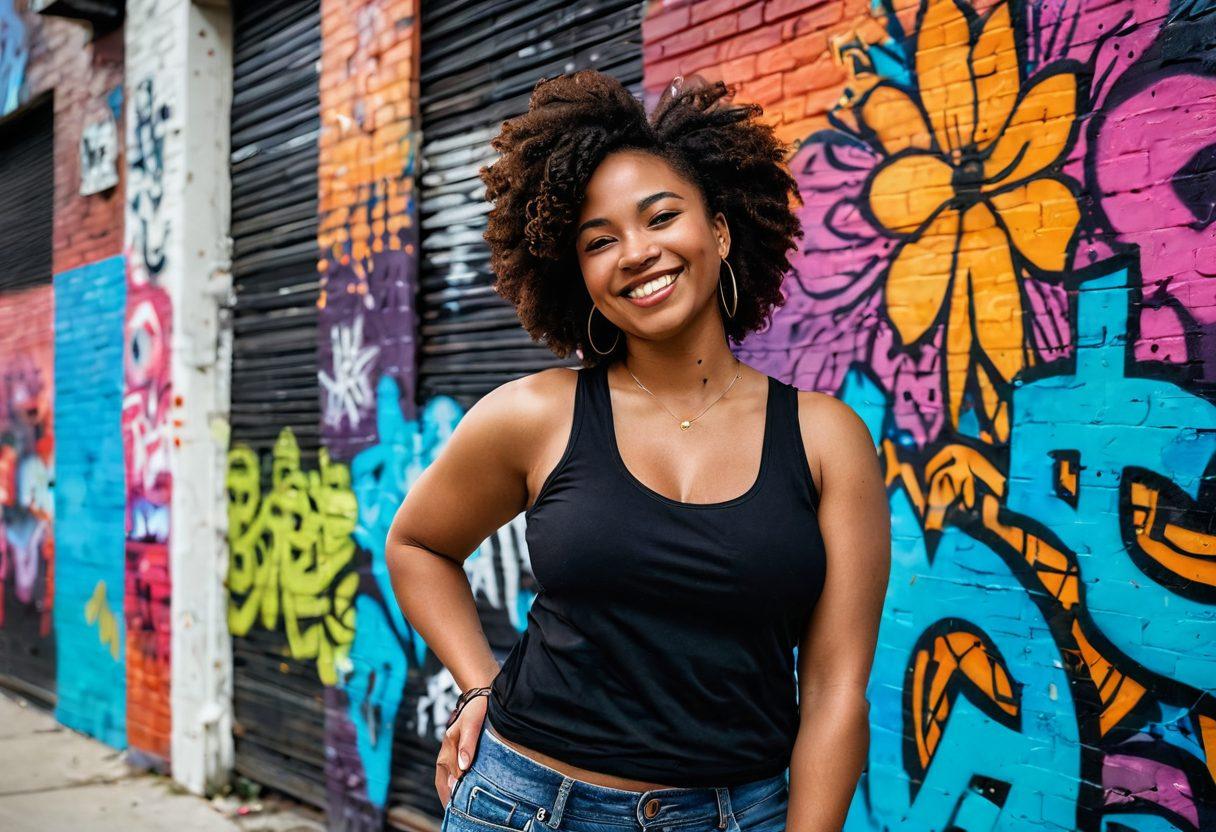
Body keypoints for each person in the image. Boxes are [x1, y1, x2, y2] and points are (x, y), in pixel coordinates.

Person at [385, 69, 890, 832]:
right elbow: (417, 543)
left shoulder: (826, 440)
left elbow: (834, 692)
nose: (636, 253)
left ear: (719, 231)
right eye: (599, 240)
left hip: (734, 815)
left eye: (660, 217)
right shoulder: (535, 415)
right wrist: (478, 684)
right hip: (523, 805)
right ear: (579, 276)